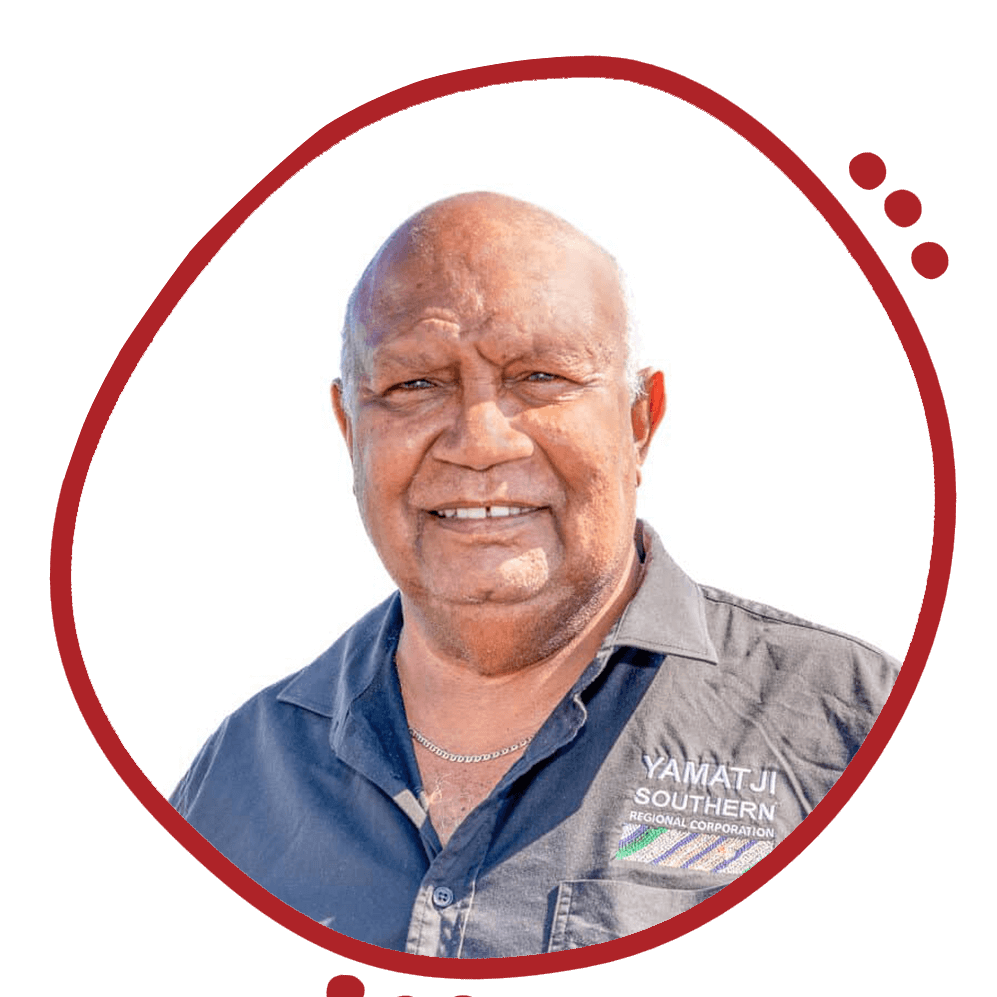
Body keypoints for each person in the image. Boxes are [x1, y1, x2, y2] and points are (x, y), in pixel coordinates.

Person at [170, 191, 899, 957]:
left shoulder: (844, 729)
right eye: (415, 383)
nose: (479, 441)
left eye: (540, 376)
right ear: (350, 427)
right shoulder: (238, 779)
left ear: (638, 422)